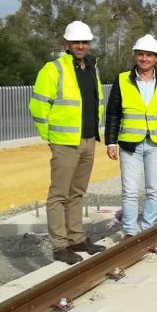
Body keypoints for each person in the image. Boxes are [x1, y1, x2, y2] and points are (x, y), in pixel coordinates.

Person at [29, 20, 107, 264]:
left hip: (87, 139)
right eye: (76, 42)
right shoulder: (53, 69)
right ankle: (60, 246)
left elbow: (97, 101)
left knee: (77, 193)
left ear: (89, 44)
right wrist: (50, 137)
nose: (80, 46)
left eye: (84, 42)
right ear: (67, 44)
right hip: (64, 142)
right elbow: (38, 106)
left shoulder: (92, 68)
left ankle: (77, 238)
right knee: (59, 195)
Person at [104, 34, 157, 239]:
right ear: (135, 56)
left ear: (156, 58)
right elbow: (113, 112)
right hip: (130, 145)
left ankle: (148, 228)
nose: (144, 59)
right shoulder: (123, 79)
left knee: (153, 189)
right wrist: (110, 141)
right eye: (141, 54)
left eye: (149, 55)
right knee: (130, 191)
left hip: (156, 144)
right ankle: (130, 231)